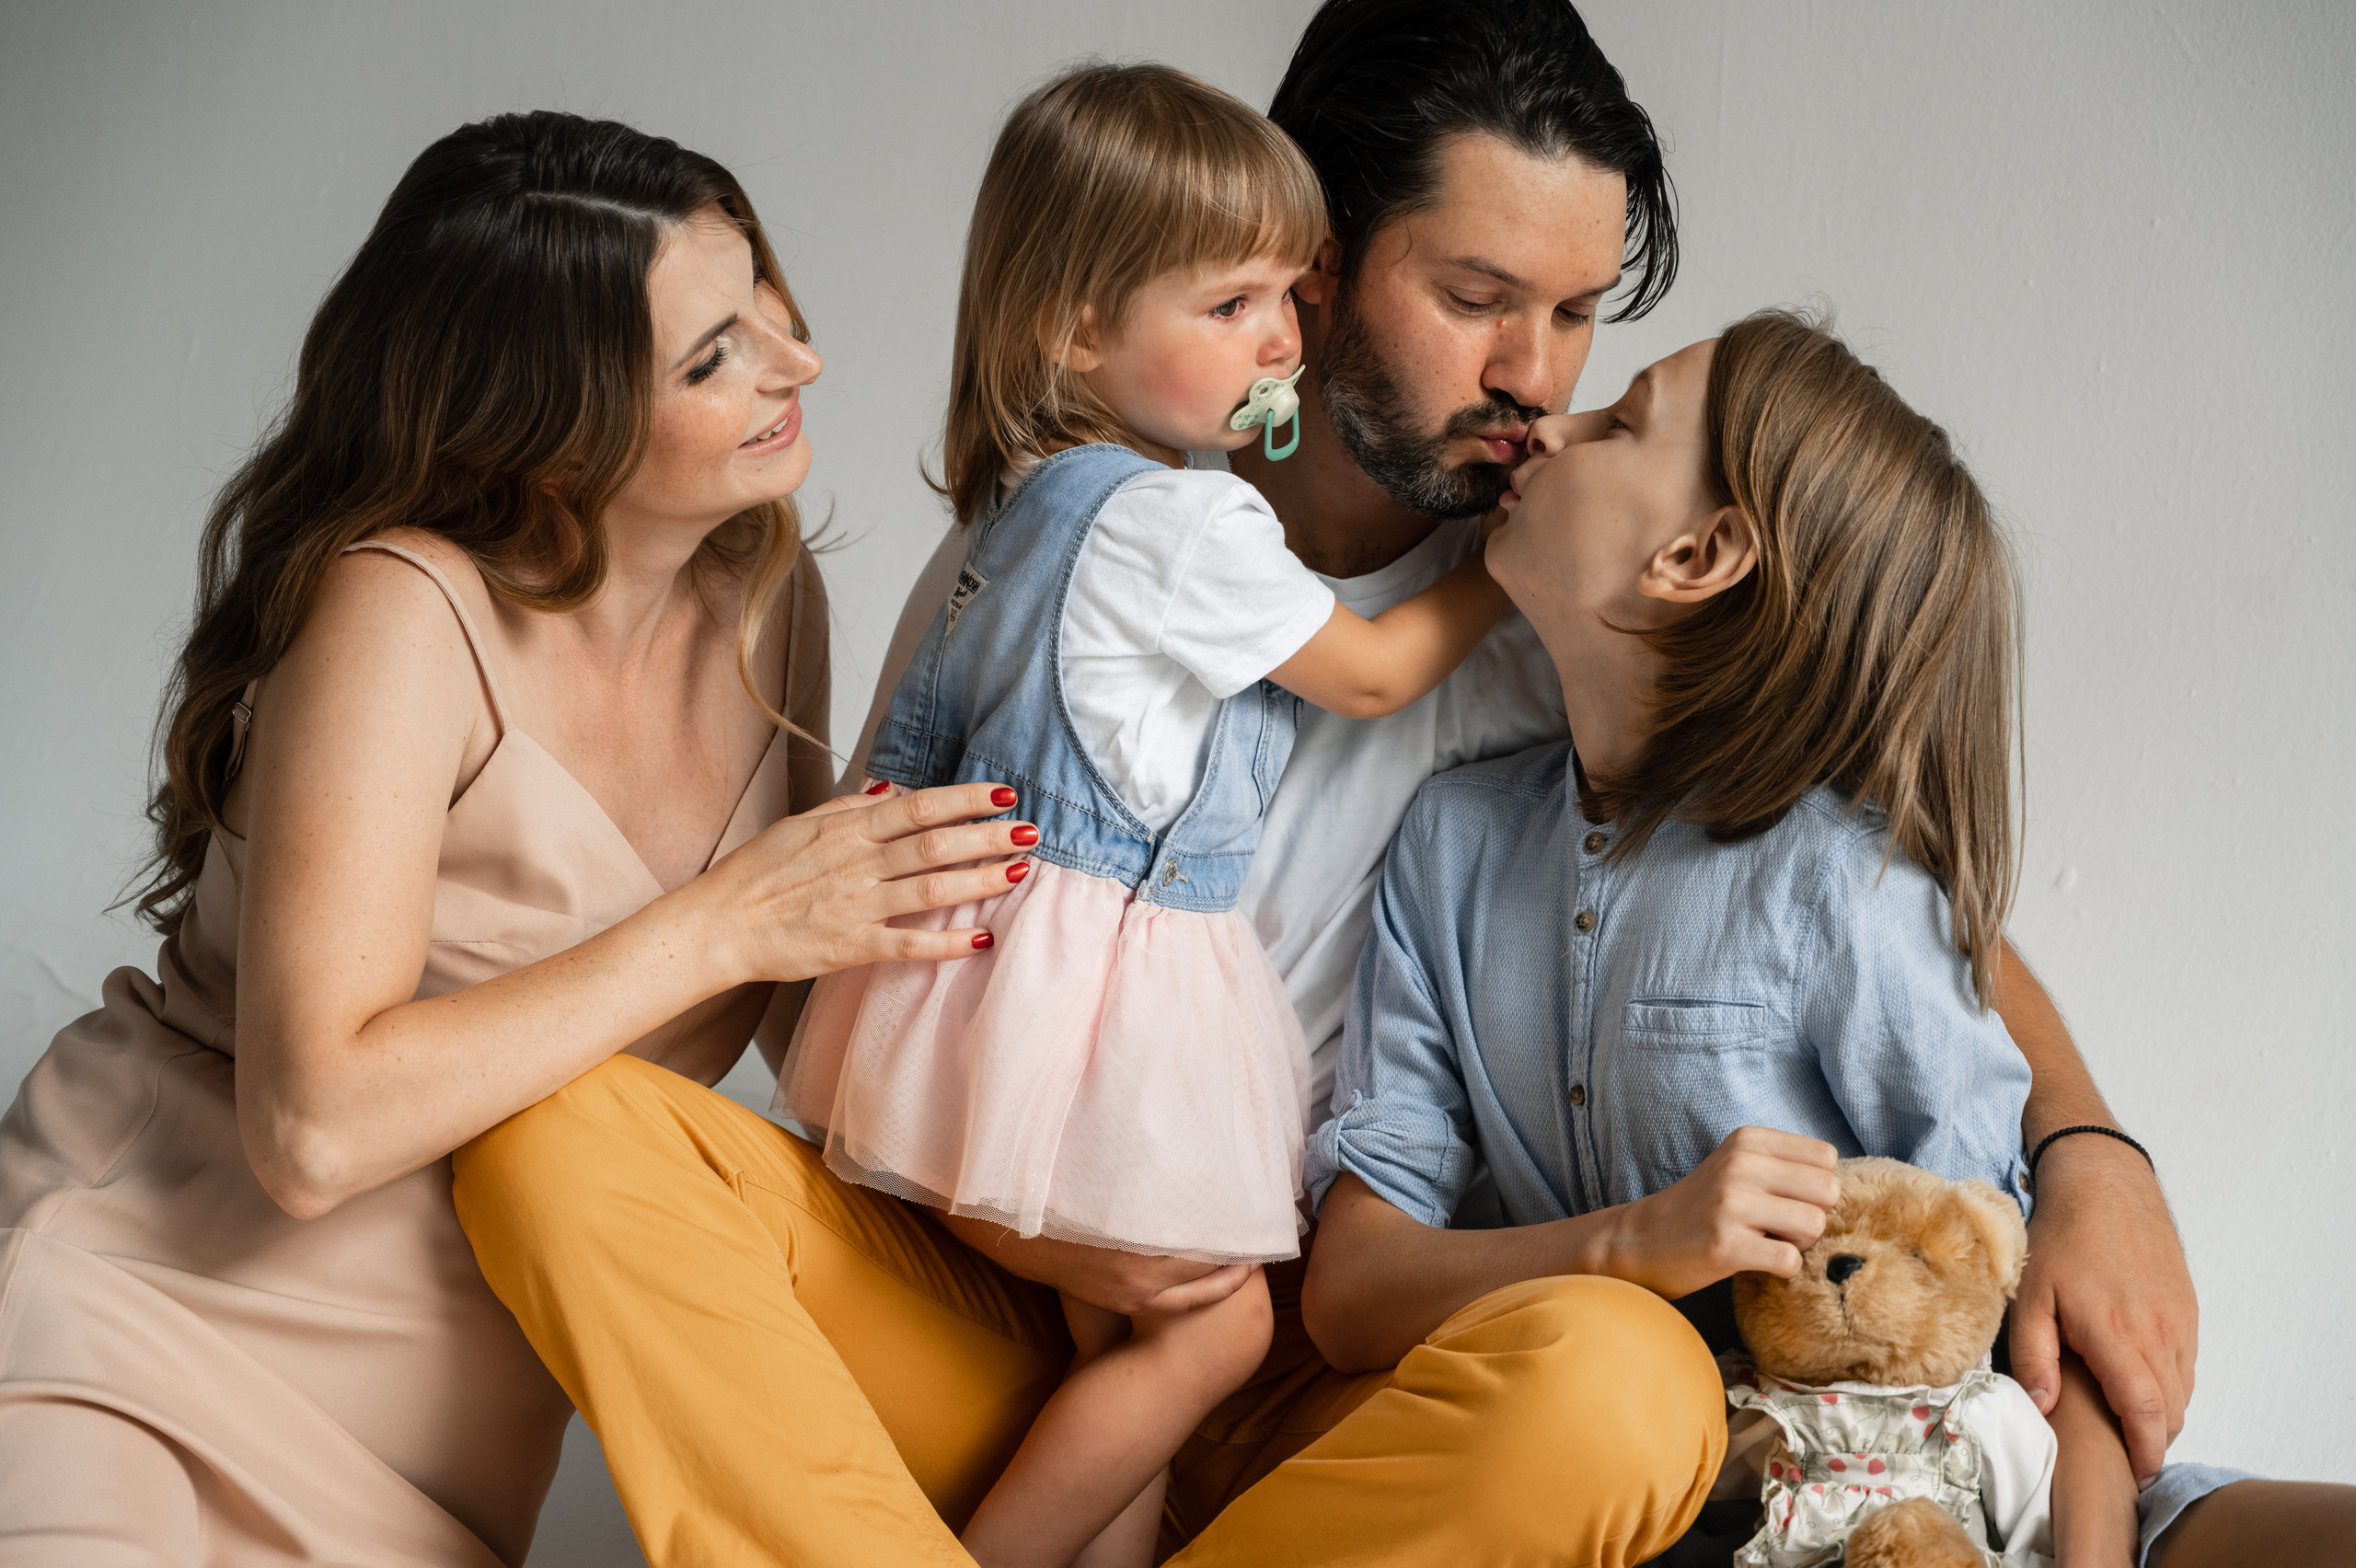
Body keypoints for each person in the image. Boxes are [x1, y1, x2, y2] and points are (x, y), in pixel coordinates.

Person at [0, 110, 1027, 1563]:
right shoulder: (400, 610)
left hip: (448, 1447)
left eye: (767, 306)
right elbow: (312, 1126)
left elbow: (808, 1015)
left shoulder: (761, 598)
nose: (795, 366)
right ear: (553, 424)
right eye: (710, 355)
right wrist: (723, 922)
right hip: (150, 1338)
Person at [1305, 313, 2356, 1566]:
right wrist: (1632, 1244)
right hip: (1691, 1506)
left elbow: (2017, 1315)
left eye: (1621, 421)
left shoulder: (1844, 889)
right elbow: (1352, 1292)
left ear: (1698, 555)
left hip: (1979, 1503)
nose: (1558, 418)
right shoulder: (1449, 847)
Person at [778, 63, 1516, 1568]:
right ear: (1077, 330)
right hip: (1087, 1027)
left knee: (1114, 1340)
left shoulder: (1024, 502)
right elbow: (1370, 674)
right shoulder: (1183, 519)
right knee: (1217, 1328)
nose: (1281, 341)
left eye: (1287, 298)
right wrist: (1509, 565)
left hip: (972, 1006)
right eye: (1230, 304)